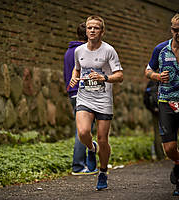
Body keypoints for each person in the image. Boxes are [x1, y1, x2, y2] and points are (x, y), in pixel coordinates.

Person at [69, 15, 123, 190]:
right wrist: (74, 78)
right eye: (89, 28)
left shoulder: (109, 51)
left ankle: (102, 172)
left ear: (102, 31)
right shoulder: (79, 51)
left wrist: (104, 77)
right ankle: (91, 149)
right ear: (86, 30)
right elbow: (76, 69)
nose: (92, 30)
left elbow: (119, 75)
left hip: (103, 100)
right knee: (83, 132)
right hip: (84, 97)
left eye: (96, 28)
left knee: (103, 140)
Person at [145, 13, 179, 196]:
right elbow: (148, 70)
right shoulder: (161, 49)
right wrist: (157, 76)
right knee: (170, 148)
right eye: (175, 30)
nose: (177, 34)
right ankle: (177, 163)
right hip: (166, 101)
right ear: (171, 29)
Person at [63, 22, 98, 175]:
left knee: (82, 129)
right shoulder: (84, 51)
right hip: (84, 93)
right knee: (84, 130)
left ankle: (83, 162)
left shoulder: (68, 52)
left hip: (72, 93)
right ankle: (78, 166)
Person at [143, 80, 165, 160]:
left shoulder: (151, 82)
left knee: (157, 133)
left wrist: (152, 108)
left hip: (155, 111)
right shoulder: (167, 79)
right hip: (166, 109)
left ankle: (160, 155)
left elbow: (145, 99)